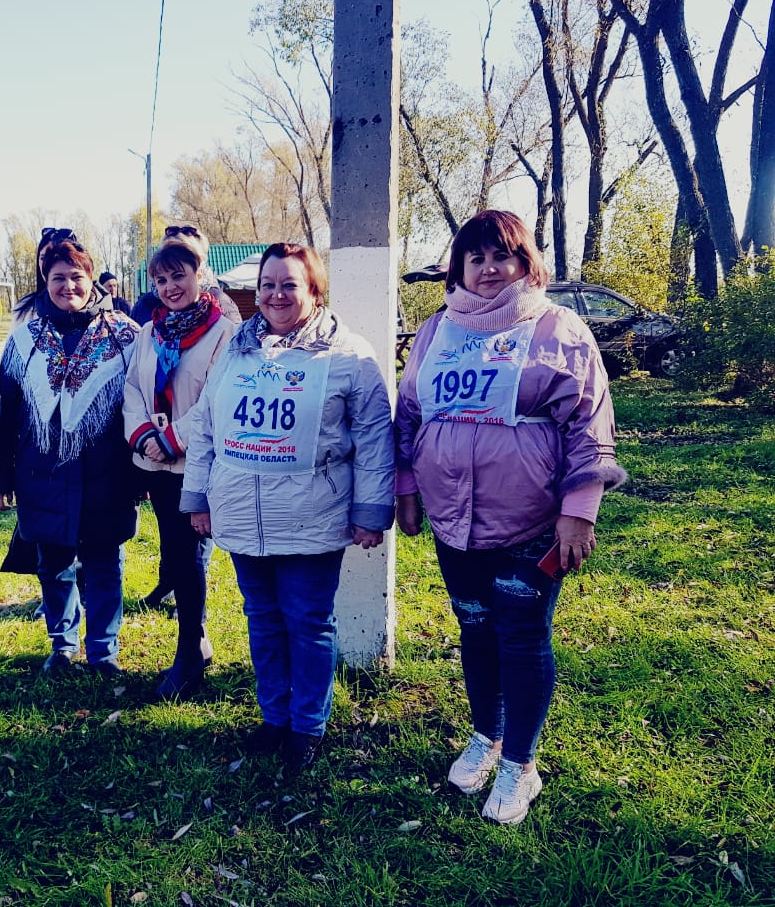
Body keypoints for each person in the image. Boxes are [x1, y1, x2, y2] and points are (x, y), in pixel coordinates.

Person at [395, 210, 626, 824]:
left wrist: (579, 512)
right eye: (476, 258)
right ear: (459, 268)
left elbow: (588, 422)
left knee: (521, 636)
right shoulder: (435, 331)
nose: (490, 268)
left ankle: (521, 764)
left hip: (531, 521)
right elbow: (409, 413)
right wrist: (407, 490)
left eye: (503, 256)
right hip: (453, 520)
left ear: (526, 264)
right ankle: (485, 736)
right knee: (474, 627)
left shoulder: (558, 328)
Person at [181, 242, 394, 776]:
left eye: (289, 284)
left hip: (311, 516)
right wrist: (198, 496)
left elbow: (373, 437)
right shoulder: (235, 348)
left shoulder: (350, 355)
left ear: (314, 290)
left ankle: (308, 727)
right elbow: (206, 426)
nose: (276, 294)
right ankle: (274, 718)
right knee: (263, 621)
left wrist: (372, 509)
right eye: (268, 284)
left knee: (308, 621)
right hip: (240, 512)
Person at [0, 238, 140, 679]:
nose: (68, 285)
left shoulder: (125, 335)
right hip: (43, 472)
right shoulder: (24, 340)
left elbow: (139, 404)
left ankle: (103, 649)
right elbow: (6, 411)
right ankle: (63, 644)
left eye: (76, 276)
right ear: (45, 283)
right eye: (58, 278)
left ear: (91, 279)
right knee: (54, 565)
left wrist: (141, 472)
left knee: (104, 563)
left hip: (106, 472)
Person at [122, 243, 235, 699]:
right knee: (173, 552)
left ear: (199, 274)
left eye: (178, 276)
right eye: (161, 281)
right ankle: (195, 639)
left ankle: (189, 649)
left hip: (195, 461)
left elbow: (217, 396)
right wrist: (144, 434)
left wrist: (173, 439)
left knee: (189, 558)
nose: (170, 288)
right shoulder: (150, 334)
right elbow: (132, 387)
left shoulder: (224, 333)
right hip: (155, 461)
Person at [132, 224, 241, 326]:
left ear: (199, 262)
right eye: (168, 253)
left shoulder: (221, 305)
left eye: (184, 255)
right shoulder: (145, 306)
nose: (170, 287)